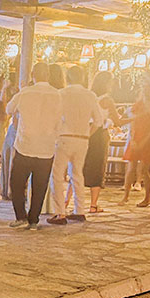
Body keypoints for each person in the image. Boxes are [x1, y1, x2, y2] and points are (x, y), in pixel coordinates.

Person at [5, 62, 63, 229]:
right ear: (48, 75)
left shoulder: (25, 92)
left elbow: (9, 109)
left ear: (33, 75)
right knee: (40, 186)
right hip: (46, 146)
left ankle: (21, 216)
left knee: (16, 183)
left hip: (25, 145)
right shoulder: (57, 95)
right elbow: (61, 120)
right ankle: (33, 220)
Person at [48, 65, 103, 225]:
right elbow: (99, 121)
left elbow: (54, 116)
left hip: (64, 137)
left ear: (68, 77)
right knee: (77, 174)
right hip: (82, 138)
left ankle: (60, 212)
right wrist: (88, 134)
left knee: (57, 175)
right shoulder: (90, 95)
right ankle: (79, 210)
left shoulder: (61, 94)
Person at [84, 71, 121, 213]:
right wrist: (135, 119)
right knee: (98, 167)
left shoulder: (89, 96)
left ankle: (68, 200)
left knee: (82, 166)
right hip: (99, 134)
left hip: (87, 131)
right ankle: (93, 204)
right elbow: (118, 121)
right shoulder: (107, 100)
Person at [121, 82, 150, 207]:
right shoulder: (138, 104)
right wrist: (133, 138)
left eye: (147, 89)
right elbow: (133, 122)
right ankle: (125, 196)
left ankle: (148, 198)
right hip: (137, 136)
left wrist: (144, 140)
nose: (145, 91)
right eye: (143, 89)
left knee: (145, 169)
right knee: (131, 168)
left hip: (149, 138)